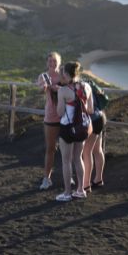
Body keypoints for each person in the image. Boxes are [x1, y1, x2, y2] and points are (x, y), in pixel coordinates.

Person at [55, 62, 93, 202]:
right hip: (82, 127)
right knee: (78, 158)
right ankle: (80, 190)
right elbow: (90, 109)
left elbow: (59, 113)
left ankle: (67, 193)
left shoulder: (63, 91)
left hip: (67, 128)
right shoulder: (87, 87)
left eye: (62, 72)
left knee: (66, 161)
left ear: (66, 74)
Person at [36, 51, 62, 190]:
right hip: (51, 116)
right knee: (50, 148)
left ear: (59, 62)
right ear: (47, 62)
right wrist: (45, 87)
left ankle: (68, 176)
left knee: (67, 149)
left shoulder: (63, 75)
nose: (52, 63)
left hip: (65, 117)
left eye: (55, 61)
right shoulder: (43, 76)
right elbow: (41, 90)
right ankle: (47, 178)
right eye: (50, 61)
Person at [82, 90, 106, 192]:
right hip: (100, 116)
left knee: (86, 152)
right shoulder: (89, 84)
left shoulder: (79, 86)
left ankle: (86, 185)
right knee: (98, 149)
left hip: (92, 120)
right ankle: (98, 179)